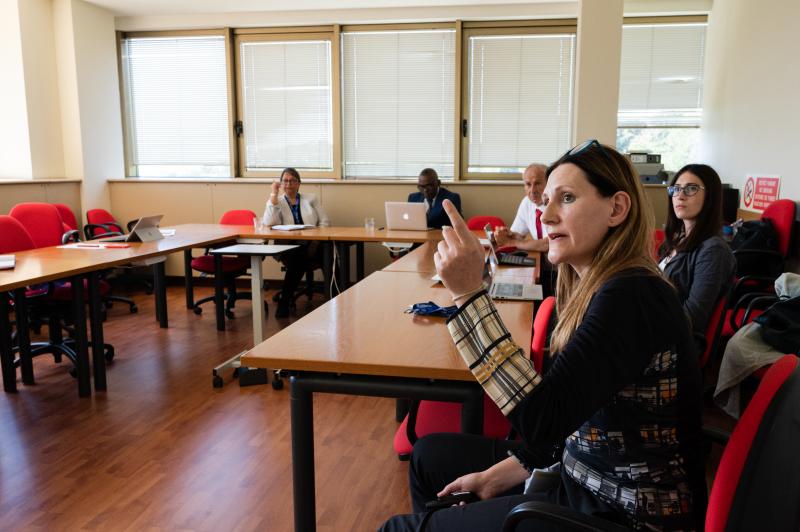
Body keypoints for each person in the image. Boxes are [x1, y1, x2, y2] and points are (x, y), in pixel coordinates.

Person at [381, 141, 705, 531]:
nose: (546, 214)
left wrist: (468, 294)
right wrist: (499, 474)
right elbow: (566, 416)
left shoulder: (633, 294)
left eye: (566, 198)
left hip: (619, 513)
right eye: (546, 199)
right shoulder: (607, 287)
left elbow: (541, 418)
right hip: (580, 474)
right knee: (427, 454)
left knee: (397, 528)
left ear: (617, 209)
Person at [658, 164, 736, 352]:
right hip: (655, 329)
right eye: (675, 189)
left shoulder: (713, 250)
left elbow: (692, 318)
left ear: (710, 196)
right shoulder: (676, 239)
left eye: (691, 188)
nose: (680, 195)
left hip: (676, 347)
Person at [263, 167, 330, 318]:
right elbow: (269, 222)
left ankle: (336, 297)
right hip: (289, 245)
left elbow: (325, 221)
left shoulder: (310, 199)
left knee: (329, 253)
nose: (289, 184)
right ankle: (284, 302)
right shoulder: (276, 201)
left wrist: (316, 239)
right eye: (285, 181)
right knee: (298, 257)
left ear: (299, 183)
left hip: (313, 243)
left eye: (292, 180)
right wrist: (273, 194)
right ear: (280, 184)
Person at [494, 163, 554, 296]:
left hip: (558, 269)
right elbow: (518, 235)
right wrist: (506, 234)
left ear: (548, 183)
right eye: (528, 184)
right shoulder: (527, 203)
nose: (532, 190)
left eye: (538, 183)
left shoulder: (554, 205)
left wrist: (514, 243)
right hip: (542, 264)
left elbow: (548, 243)